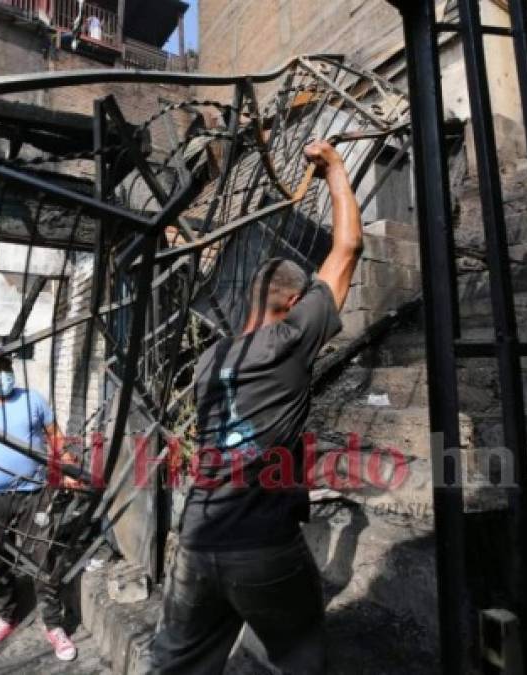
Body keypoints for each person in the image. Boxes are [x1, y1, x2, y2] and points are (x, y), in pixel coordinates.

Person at [151, 140, 363, 675]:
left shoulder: (208, 362)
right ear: (292, 304)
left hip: (197, 539)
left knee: (179, 664)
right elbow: (347, 250)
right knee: (302, 654)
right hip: (262, 545)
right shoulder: (289, 340)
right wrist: (335, 169)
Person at [0, 356, 79, 661]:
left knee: (41, 556)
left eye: (5, 370)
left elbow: (55, 438)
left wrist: (68, 468)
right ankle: (6, 617)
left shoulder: (33, 400)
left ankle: (53, 625)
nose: (2, 377)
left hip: (33, 493)